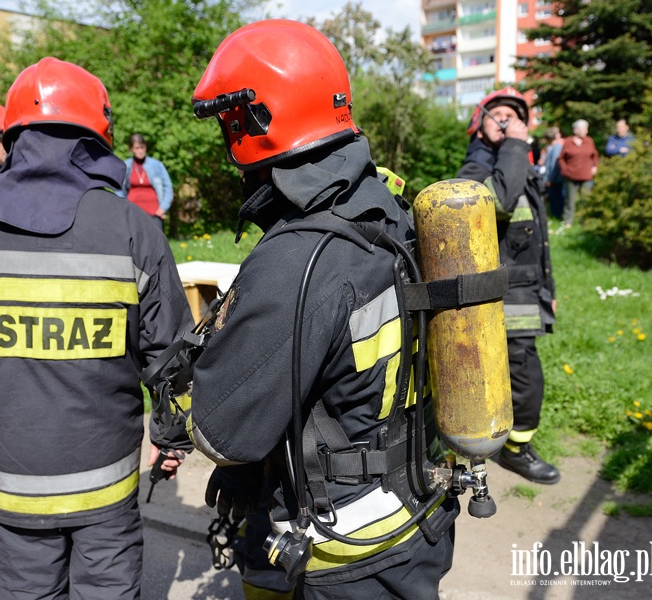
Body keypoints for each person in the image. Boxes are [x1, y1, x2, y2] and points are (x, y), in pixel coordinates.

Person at [187, 20, 457, 599]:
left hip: (345, 550)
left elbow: (223, 430)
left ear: (252, 122)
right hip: (418, 511)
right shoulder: (390, 209)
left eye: (227, 122)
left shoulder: (298, 259)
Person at [0, 57, 193, 599]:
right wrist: (172, 437)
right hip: (105, 484)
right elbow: (172, 353)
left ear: (12, 135)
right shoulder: (135, 230)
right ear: (99, 136)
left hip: (9, 478)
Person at [457, 87, 559, 485]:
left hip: (524, 290)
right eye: (497, 113)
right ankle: (514, 450)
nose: (506, 120)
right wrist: (515, 146)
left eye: (514, 115)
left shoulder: (517, 163)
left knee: (519, 370)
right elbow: (496, 202)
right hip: (501, 291)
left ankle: (508, 443)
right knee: (521, 373)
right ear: (478, 124)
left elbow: (535, 239)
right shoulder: (478, 166)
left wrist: (547, 291)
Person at [118, 133, 173, 229]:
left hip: (154, 212)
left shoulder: (156, 165)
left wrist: (163, 208)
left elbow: (168, 186)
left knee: (156, 242)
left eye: (142, 147)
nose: (140, 151)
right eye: (137, 148)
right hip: (133, 213)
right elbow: (118, 188)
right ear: (131, 149)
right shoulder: (126, 166)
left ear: (145, 148)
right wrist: (124, 207)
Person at [557, 119, 599, 226]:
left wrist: (595, 166)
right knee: (570, 200)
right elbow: (561, 158)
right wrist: (565, 170)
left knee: (586, 199)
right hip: (570, 176)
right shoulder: (568, 142)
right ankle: (568, 221)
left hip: (586, 175)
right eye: (585, 129)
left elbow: (595, 155)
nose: (587, 131)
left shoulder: (589, 141)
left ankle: (586, 221)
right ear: (577, 130)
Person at [541, 127, 565, 219]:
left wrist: (550, 179)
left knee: (556, 199)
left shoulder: (556, 147)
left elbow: (554, 165)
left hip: (555, 179)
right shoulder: (552, 147)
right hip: (553, 178)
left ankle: (557, 216)